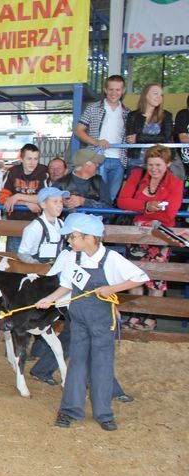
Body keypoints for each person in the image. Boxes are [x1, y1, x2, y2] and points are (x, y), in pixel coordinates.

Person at [36, 213, 149, 431]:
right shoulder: (72, 257)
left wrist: (112, 289)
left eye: (73, 237)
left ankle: (104, 413)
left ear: (90, 237)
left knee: (102, 365)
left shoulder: (111, 259)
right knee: (77, 363)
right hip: (79, 320)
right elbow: (67, 284)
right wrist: (49, 299)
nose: (69, 241)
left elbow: (140, 277)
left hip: (101, 321)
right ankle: (69, 410)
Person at [116, 145, 183, 331]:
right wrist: (147, 206)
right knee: (134, 274)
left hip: (160, 235)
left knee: (156, 277)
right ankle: (135, 314)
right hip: (137, 234)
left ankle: (151, 316)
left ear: (168, 164)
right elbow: (122, 201)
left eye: (159, 165)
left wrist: (141, 210)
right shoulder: (137, 176)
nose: (154, 169)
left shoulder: (175, 182)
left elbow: (170, 214)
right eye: (151, 164)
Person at [73, 75, 129, 206]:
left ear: (123, 91)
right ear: (105, 89)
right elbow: (78, 130)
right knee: (95, 194)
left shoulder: (127, 112)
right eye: (111, 89)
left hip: (119, 160)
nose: (114, 93)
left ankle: (105, 224)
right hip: (97, 158)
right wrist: (96, 142)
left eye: (117, 90)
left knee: (111, 197)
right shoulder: (93, 107)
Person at [0, 143, 49, 252]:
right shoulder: (12, 172)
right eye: (29, 158)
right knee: (14, 261)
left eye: (36, 159)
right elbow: (3, 199)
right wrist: (26, 203)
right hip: (15, 224)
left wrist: (17, 196)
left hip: (37, 224)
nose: (32, 162)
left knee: (34, 260)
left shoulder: (44, 172)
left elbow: (44, 198)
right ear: (21, 159)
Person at [125, 83, 173, 173]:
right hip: (135, 162)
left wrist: (139, 138)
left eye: (161, 95)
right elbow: (130, 139)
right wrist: (154, 138)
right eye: (155, 93)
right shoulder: (133, 115)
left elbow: (165, 137)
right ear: (145, 95)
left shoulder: (166, 115)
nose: (159, 97)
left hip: (158, 164)